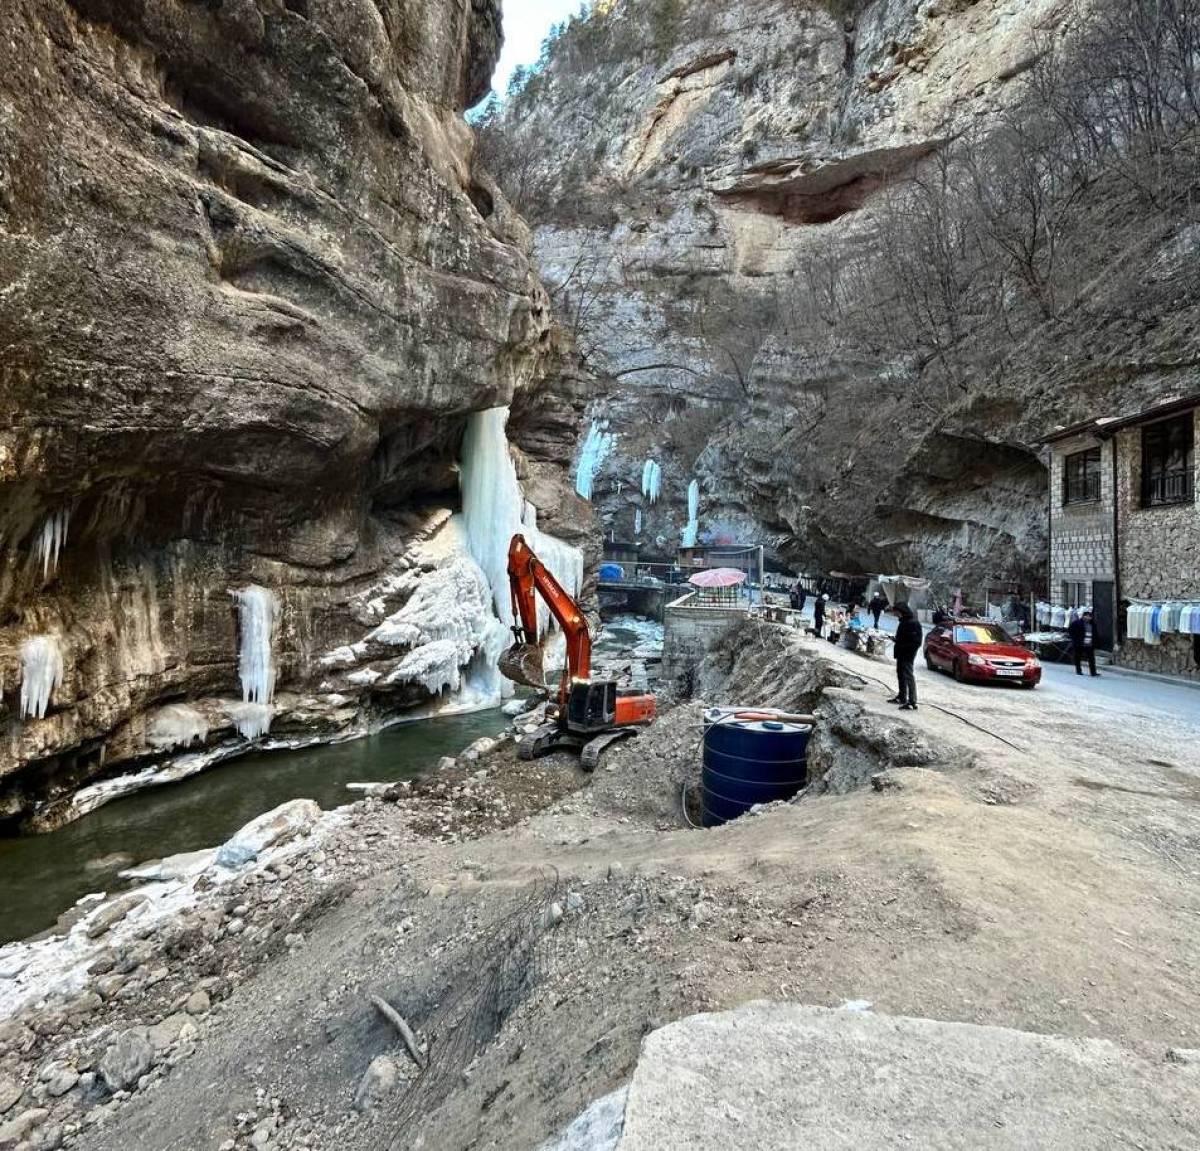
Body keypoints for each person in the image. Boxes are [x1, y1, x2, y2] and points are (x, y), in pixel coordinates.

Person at [889, 604, 923, 711]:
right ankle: (902, 696)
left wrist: (904, 647)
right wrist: (896, 640)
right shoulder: (903, 621)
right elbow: (903, 638)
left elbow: (916, 642)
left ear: (901, 611)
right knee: (900, 674)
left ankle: (912, 701)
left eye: (896, 612)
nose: (894, 614)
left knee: (908, 676)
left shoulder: (913, 623)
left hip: (907, 654)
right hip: (901, 652)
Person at [1068, 609, 1099, 677]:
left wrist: (1095, 641)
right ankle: (1078, 670)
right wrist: (1075, 639)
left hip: (1089, 643)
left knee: (1091, 658)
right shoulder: (1077, 623)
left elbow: (1095, 633)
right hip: (1080, 643)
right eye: (1087, 616)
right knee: (1078, 657)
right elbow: (1071, 631)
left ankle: (1093, 672)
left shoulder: (1092, 624)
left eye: (1090, 617)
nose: (1088, 618)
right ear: (1083, 616)